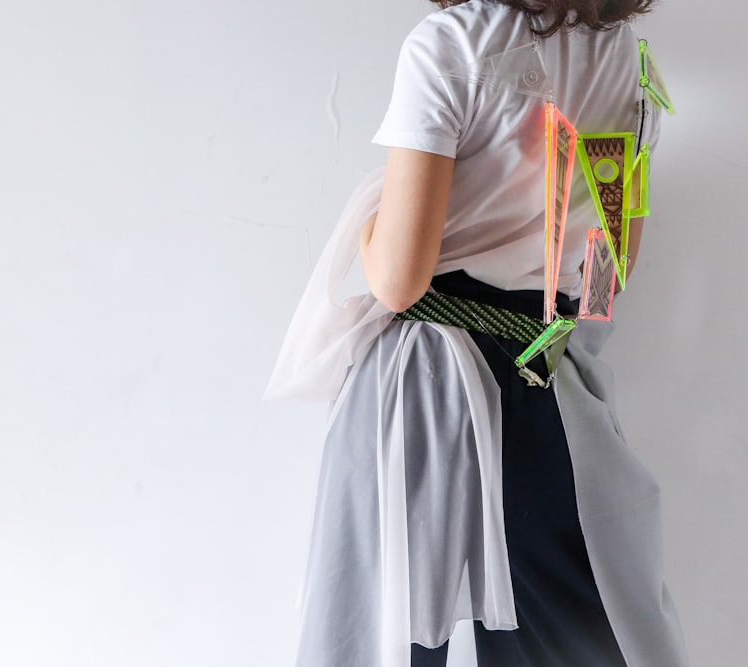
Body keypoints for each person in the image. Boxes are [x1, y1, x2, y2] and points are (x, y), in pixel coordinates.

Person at [266, 1, 689, 665]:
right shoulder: (631, 64)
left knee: (394, 633)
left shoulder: (452, 44)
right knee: (566, 636)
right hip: (544, 384)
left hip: (421, 386)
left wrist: (372, 221)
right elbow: (607, 277)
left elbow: (399, 280)